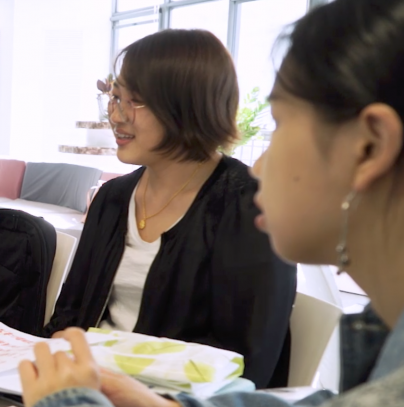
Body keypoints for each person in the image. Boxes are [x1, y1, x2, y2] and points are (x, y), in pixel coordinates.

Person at [20, 0, 404, 407]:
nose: (261, 162)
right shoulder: (385, 356)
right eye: (115, 97)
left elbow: (248, 361)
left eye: (280, 125)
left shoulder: (240, 200)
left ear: (369, 147)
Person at [44, 29, 296, 388]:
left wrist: (116, 372)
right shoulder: (113, 198)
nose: (115, 116)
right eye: (114, 97)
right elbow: (69, 315)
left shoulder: (249, 205)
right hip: (89, 386)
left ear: (187, 106)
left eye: (134, 101)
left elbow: (242, 360)